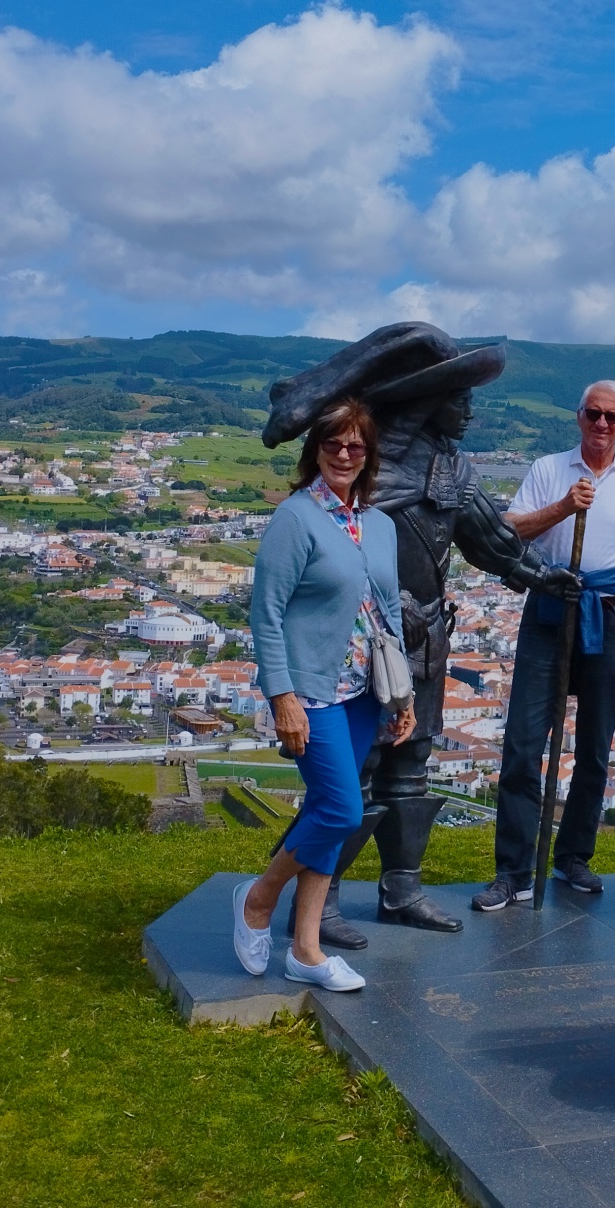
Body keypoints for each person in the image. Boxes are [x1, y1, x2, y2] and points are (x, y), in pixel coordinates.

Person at [261, 324, 577, 943]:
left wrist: (542, 576)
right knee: (349, 781)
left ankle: (401, 889)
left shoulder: (452, 468)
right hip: (360, 651)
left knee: (411, 766)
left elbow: (490, 538)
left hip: (422, 646)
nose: (469, 409)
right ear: (430, 401)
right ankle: (315, 905)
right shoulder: (369, 476)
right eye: (459, 396)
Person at [237, 397, 415, 991]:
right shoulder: (295, 518)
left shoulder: (381, 525)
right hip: (312, 689)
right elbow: (267, 615)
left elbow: (386, 612)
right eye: (334, 443)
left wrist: (402, 695)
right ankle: (259, 900)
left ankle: (306, 951)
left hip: (366, 690)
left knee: (326, 813)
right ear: (315, 449)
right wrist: (280, 695)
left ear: (368, 456)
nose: (344, 453)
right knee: (340, 809)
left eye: (356, 445)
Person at [473, 381, 615, 909]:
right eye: (593, 414)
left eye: (612, 417)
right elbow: (512, 529)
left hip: (611, 619)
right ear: (578, 416)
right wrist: (564, 506)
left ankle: (573, 857)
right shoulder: (548, 471)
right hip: (549, 612)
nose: (601, 424)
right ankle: (513, 871)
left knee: (595, 750)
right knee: (522, 745)